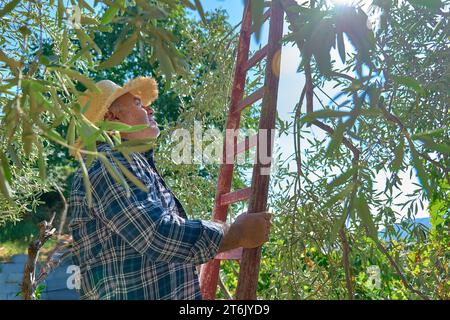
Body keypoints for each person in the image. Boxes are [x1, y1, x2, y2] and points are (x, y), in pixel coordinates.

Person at [68, 77, 272, 300]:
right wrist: (237, 233)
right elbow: (158, 235)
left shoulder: (127, 163)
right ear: (112, 117)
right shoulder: (109, 164)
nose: (150, 109)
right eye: (137, 103)